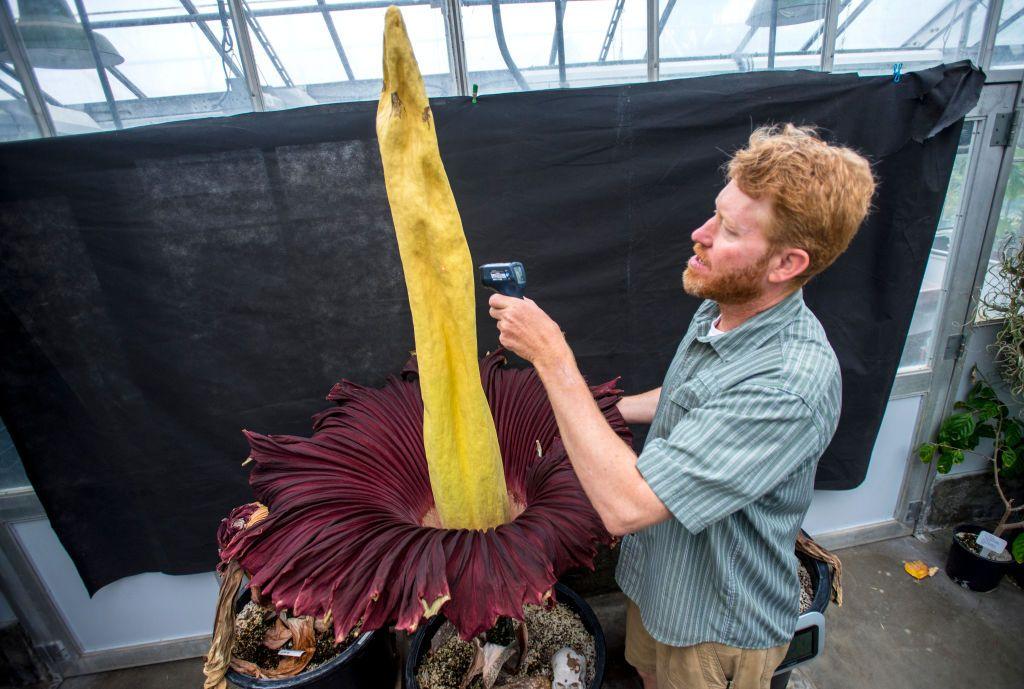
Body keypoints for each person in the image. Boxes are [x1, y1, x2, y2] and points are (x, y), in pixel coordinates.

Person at [488, 124, 876, 689]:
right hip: (660, 580)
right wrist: (611, 410)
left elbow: (625, 506)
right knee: (645, 672)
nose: (700, 234)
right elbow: (687, 395)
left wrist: (552, 357)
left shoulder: (787, 386)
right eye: (714, 213)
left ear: (787, 264)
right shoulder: (727, 302)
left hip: (714, 624)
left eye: (729, 229)